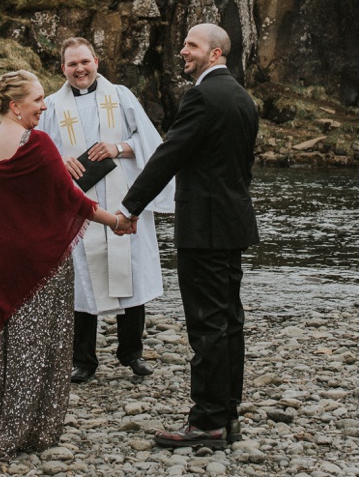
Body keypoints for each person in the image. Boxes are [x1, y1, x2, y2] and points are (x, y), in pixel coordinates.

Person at [0, 70, 127, 460]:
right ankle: (24, 432)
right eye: (39, 100)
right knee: (34, 347)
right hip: (37, 266)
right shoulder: (38, 144)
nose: (45, 106)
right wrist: (115, 221)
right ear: (15, 106)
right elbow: (70, 200)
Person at [115, 24, 259, 449]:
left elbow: (169, 154)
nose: (182, 51)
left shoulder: (202, 96)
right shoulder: (242, 98)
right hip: (233, 222)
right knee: (230, 320)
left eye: (191, 45)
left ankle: (208, 422)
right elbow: (241, 167)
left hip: (203, 228)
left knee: (207, 324)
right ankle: (228, 413)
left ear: (215, 53)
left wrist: (128, 207)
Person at [37, 37, 174, 383]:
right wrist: (58, 160)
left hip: (122, 201)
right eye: (72, 64)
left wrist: (119, 146)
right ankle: (84, 360)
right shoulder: (51, 106)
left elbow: (150, 141)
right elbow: (36, 149)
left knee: (130, 275)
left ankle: (132, 353)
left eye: (85, 61)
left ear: (96, 60)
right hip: (78, 207)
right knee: (82, 282)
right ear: (62, 69)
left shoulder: (121, 96)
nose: (80, 69)